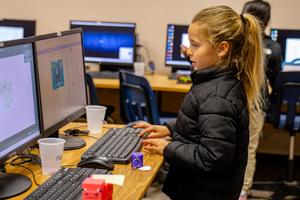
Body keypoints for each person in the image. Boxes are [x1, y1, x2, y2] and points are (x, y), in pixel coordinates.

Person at [134, 5, 266, 200]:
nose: (189, 51)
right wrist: (170, 129)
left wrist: (167, 147)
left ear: (222, 49)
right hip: (200, 188)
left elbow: (213, 157)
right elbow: (201, 123)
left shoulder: (217, 96)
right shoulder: (214, 83)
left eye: (195, 45)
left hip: (204, 193)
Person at [239, 1, 282, 199]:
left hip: (231, 99)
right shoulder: (273, 47)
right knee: (249, 149)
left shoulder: (236, 42)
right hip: (256, 103)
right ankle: (243, 191)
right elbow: (277, 81)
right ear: (267, 20)